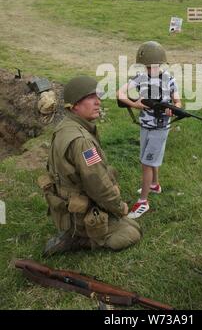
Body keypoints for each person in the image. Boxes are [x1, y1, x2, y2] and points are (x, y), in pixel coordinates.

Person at [39, 75, 141, 257]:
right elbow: (98, 186)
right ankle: (80, 239)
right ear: (75, 105)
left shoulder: (65, 126)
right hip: (78, 214)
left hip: (66, 205)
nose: (98, 102)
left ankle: (75, 232)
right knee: (132, 231)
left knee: (109, 174)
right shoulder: (82, 142)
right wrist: (120, 208)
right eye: (90, 98)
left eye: (98, 96)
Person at [117, 41, 181, 219]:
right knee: (148, 157)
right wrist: (135, 104)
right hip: (145, 125)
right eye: (147, 66)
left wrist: (174, 108)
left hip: (161, 127)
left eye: (153, 66)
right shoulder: (140, 77)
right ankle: (154, 184)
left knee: (147, 162)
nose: (150, 69)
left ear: (161, 64)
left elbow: (178, 102)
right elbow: (119, 94)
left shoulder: (169, 79)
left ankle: (143, 201)